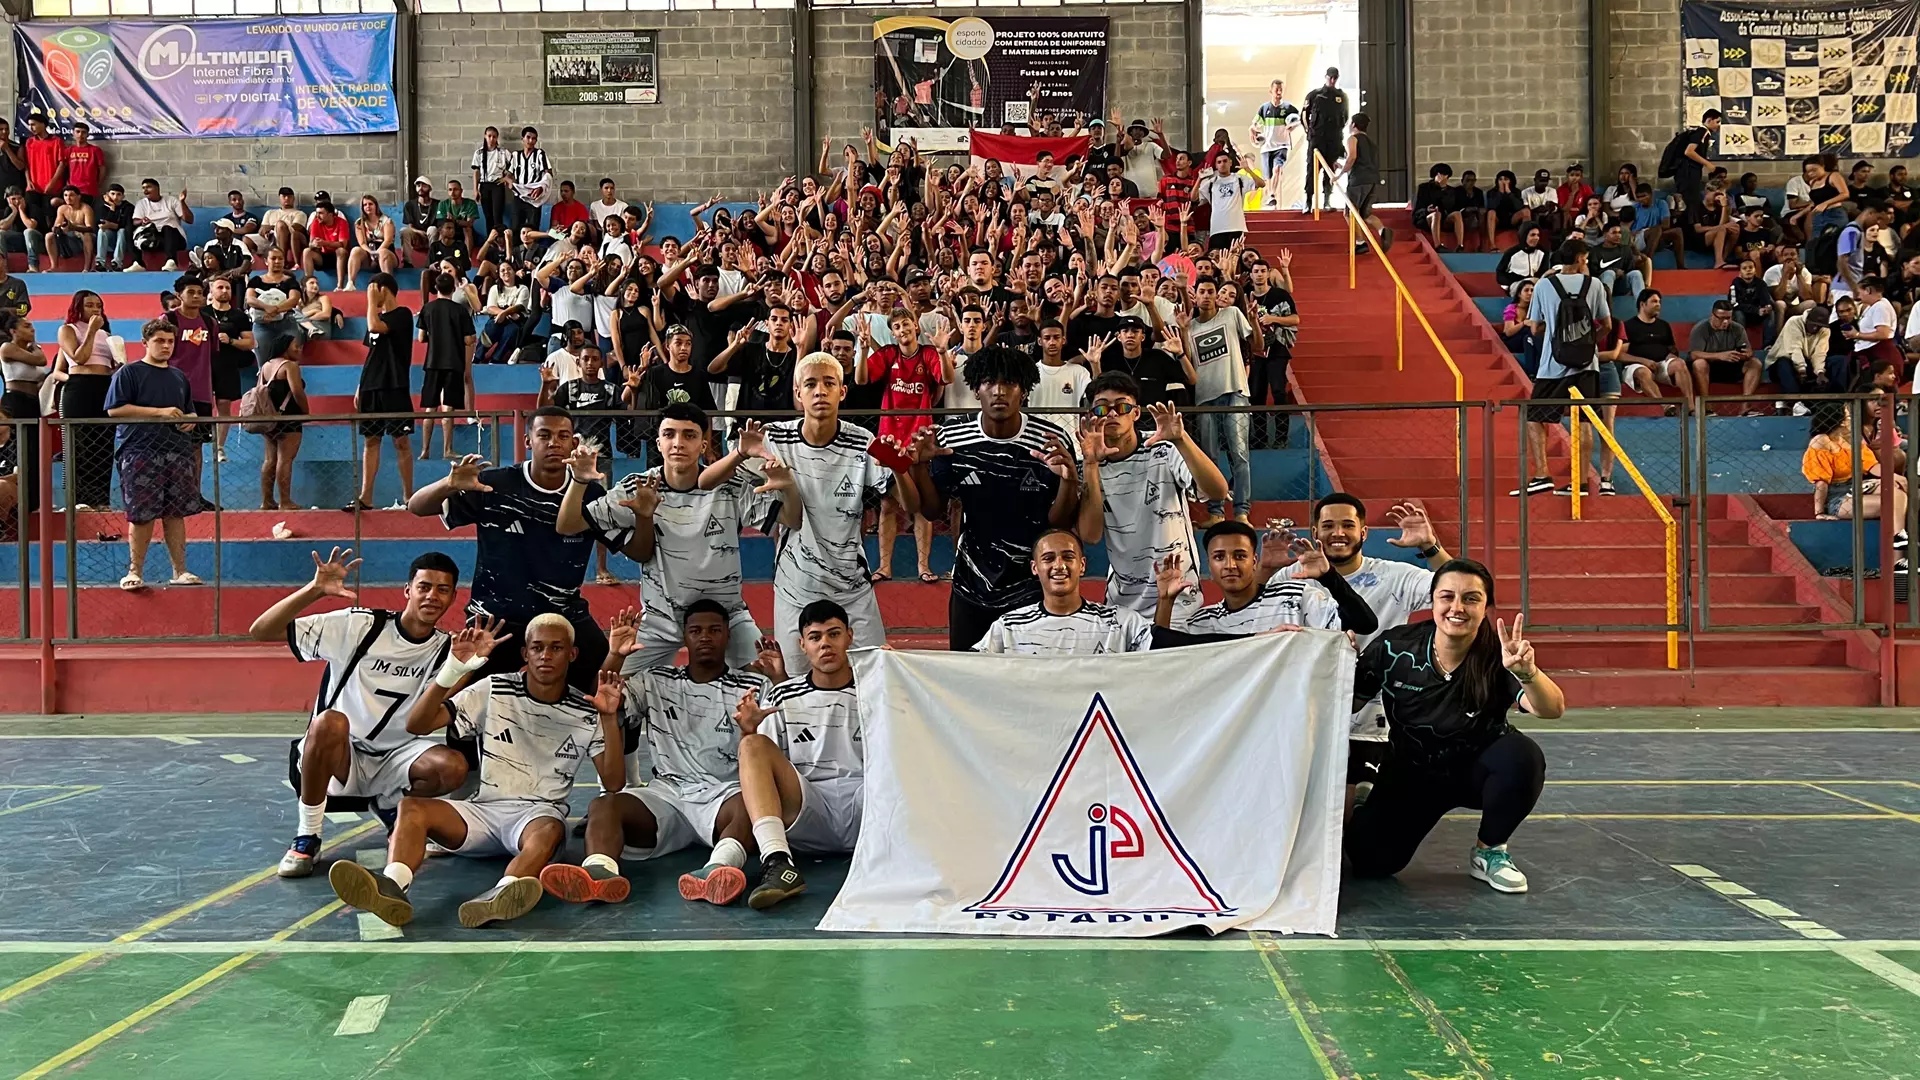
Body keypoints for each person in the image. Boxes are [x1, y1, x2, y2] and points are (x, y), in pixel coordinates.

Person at [330, 615, 625, 928]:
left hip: (537, 815)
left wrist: (608, 719)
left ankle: (504, 892)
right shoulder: (494, 687)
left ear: (572, 654)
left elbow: (614, 782)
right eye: (537, 647)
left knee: (551, 830)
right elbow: (417, 724)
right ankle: (392, 886)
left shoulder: (585, 710)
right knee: (412, 806)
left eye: (556, 648)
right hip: (483, 811)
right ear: (525, 653)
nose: (545, 655)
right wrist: (454, 670)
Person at [1344, 559, 1565, 893]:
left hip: (1475, 770)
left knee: (1523, 756)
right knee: (1370, 864)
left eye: (1471, 599)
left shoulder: (1499, 654)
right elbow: (1348, 705)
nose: (1457, 607)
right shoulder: (1393, 648)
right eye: (1447, 597)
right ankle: (1369, 799)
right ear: (1432, 601)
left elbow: (1551, 709)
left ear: (1486, 607)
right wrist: (1339, 666)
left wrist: (1527, 673)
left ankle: (1489, 851)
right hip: (1411, 772)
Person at [250, 548, 470, 875]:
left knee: (452, 767)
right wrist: (313, 590)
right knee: (329, 722)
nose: (432, 596)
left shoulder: (449, 651)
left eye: (442, 590)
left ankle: (391, 806)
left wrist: (462, 667)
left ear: (453, 597)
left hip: (397, 757)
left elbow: (425, 722)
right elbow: (261, 631)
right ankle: (307, 835)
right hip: (342, 755)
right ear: (408, 590)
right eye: (424, 587)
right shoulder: (360, 625)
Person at [554, 602, 770, 908]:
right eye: (696, 631)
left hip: (724, 795)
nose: (705, 637)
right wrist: (615, 655)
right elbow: (603, 693)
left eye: (714, 630)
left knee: (753, 805)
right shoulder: (655, 680)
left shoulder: (755, 686)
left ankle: (718, 869)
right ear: (684, 637)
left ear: (728, 637)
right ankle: (599, 873)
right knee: (604, 805)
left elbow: (772, 752)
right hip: (666, 794)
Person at [568, 401, 798, 673]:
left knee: (769, 680)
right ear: (658, 443)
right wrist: (578, 481)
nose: (678, 443)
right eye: (669, 434)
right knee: (611, 686)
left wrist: (789, 485)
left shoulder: (731, 486)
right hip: (659, 621)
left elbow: (792, 519)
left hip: (727, 618)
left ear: (703, 445)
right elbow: (571, 524)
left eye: (689, 435)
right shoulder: (636, 486)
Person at [409, 407, 630, 689]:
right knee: (457, 700)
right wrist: (448, 483)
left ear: (574, 444)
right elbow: (416, 507)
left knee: (602, 686)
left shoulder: (590, 492)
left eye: (563, 436)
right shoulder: (494, 485)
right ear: (528, 441)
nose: (553, 442)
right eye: (544, 435)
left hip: (563, 616)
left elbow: (634, 549)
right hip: (493, 619)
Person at [727, 350, 916, 672]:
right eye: (811, 384)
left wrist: (900, 466)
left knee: (872, 679)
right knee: (796, 682)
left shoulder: (864, 442)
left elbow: (912, 509)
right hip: (794, 586)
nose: (820, 390)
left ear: (842, 392)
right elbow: (715, 479)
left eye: (829, 383)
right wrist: (738, 456)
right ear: (798, 393)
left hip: (851, 589)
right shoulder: (773, 439)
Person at [907, 345, 1080, 651]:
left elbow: (1060, 522)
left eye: (1010, 383)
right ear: (975, 390)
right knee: (967, 674)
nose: (999, 391)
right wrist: (920, 466)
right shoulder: (951, 438)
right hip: (971, 582)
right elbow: (933, 511)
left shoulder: (1050, 440)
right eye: (989, 382)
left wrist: (1069, 480)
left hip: (1033, 585)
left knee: (1030, 676)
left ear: (1024, 391)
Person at [725, 599, 863, 910]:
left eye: (834, 634)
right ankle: (778, 862)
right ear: (803, 645)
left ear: (850, 637)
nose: (825, 644)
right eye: (815, 637)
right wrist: (748, 731)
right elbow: (768, 773)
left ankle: (911, 858)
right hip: (808, 809)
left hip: (867, 807)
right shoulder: (782, 695)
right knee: (751, 746)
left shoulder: (877, 686)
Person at [1306, 494, 1452, 787]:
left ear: (1363, 532)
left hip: (1372, 723)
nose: (1338, 533)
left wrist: (1430, 546)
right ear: (1314, 532)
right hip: (1309, 718)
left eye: (1348, 525)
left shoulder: (1393, 577)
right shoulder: (1293, 576)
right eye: (1328, 525)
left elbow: (1458, 586)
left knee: (1360, 805)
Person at [1075, 372, 1227, 627]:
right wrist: (1091, 465)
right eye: (1102, 407)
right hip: (1121, 603)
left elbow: (1218, 491)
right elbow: (1090, 535)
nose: (1112, 414)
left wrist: (1181, 439)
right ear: (1091, 415)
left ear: (1135, 413)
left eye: (1122, 407)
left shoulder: (1165, 449)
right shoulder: (1089, 465)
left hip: (1180, 596)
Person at [104, 319, 202, 589]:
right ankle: (135, 571)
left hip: (177, 450)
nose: (166, 346)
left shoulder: (179, 376)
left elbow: (189, 409)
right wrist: (159, 413)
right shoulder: (129, 373)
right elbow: (115, 409)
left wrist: (191, 418)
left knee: (175, 513)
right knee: (141, 513)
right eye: (160, 340)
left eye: (170, 341)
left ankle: (179, 570)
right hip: (139, 449)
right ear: (145, 343)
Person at [855, 306, 944, 585]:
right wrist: (863, 348)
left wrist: (942, 351)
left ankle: (923, 566)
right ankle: (884, 566)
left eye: (906, 324)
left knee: (920, 506)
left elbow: (945, 378)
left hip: (920, 441)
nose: (902, 330)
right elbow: (861, 379)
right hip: (889, 440)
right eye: (897, 327)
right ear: (892, 333)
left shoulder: (928, 354)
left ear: (915, 326)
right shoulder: (887, 355)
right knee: (887, 503)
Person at [1173, 518, 1378, 638]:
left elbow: (1365, 624)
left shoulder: (1294, 596)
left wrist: (1329, 576)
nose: (1230, 565)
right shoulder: (1201, 623)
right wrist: (1165, 600)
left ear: (1254, 561)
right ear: (1209, 565)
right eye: (1219, 557)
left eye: (1240, 556)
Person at [1517, 242, 1610, 496]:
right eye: (1587, 259)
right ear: (1580, 258)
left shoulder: (1544, 286)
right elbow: (1607, 325)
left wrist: (1557, 337)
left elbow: (1534, 328)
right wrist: (1586, 342)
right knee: (1583, 421)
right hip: (1587, 365)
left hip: (1552, 365)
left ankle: (1542, 474)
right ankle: (1578, 482)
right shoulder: (1595, 285)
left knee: (1534, 416)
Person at [1184, 277, 1256, 523]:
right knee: (1209, 457)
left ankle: (1241, 512)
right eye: (1201, 291)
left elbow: (1255, 344)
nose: (1206, 295)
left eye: (1210, 291)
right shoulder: (1189, 326)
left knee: (1240, 454)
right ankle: (1215, 513)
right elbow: (1187, 363)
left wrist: (1255, 321)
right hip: (1205, 398)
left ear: (1217, 295)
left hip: (1235, 390)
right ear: (1195, 295)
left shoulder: (1232, 314)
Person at [347, 274, 416, 510]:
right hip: (371, 386)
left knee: (401, 441)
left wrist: (370, 301)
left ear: (383, 289)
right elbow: (372, 353)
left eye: (372, 289)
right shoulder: (374, 318)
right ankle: (365, 497)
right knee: (370, 440)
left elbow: (375, 326)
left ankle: (409, 497)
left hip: (394, 384)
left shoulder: (402, 315)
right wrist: (360, 384)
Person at [1804, 405, 1909, 550]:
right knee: (1893, 501)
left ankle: (1899, 538)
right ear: (1840, 421)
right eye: (1848, 417)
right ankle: (1898, 543)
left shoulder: (1850, 438)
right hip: (1836, 496)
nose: (1852, 420)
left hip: (1856, 486)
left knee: (1897, 488)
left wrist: (1893, 477)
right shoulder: (1821, 441)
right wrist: (1819, 512)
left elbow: (1871, 465)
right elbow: (1821, 482)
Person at [55, 290, 115, 511]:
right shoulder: (67, 330)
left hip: (104, 386)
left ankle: (101, 499)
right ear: (78, 307)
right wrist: (90, 330)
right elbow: (79, 357)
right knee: (81, 443)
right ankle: (79, 498)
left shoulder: (106, 334)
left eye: (98, 305)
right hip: (80, 385)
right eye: (89, 305)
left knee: (104, 443)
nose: (95, 309)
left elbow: (112, 363)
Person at [416, 271, 475, 461]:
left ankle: (425, 450)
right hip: (454, 362)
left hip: (433, 362)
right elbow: (469, 339)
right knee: (448, 407)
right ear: (453, 288)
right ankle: (447, 449)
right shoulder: (460, 311)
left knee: (430, 408)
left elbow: (421, 337)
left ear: (436, 288)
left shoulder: (427, 308)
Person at [0, 314, 48, 512]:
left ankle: (32, 501)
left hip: (32, 402)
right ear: (13, 330)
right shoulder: (7, 348)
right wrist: (35, 346)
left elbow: (40, 375)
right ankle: (13, 497)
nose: (32, 330)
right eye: (27, 326)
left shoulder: (32, 350)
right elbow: (40, 360)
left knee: (34, 450)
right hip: (15, 401)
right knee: (18, 447)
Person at [254, 339, 307, 510]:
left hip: (269, 420)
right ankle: (285, 501)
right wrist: (306, 411)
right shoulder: (290, 366)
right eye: (295, 345)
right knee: (285, 459)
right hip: (289, 418)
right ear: (284, 348)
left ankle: (267, 500)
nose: (299, 348)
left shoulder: (265, 366)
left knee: (270, 460)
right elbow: (297, 391)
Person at [1687, 299, 1765, 411]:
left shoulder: (1737, 328)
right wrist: (1720, 356)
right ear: (1712, 315)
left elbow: (1749, 351)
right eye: (1721, 318)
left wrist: (1743, 355)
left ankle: (1745, 406)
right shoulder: (1700, 329)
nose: (1725, 322)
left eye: (1728, 318)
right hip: (1710, 368)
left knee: (1755, 363)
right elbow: (1694, 354)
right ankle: (1706, 406)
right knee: (1699, 364)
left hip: (1731, 365)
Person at [1334, 114, 1390, 252]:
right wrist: (1342, 167)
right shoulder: (1371, 143)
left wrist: (1339, 175)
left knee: (1349, 213)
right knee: (1365, 214)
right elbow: (1363, 162)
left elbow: (1352, 157)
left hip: (1358, 181)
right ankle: (1382, 230)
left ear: (1353, 125)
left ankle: (1360, 243)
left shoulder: (1353, 139)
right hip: (1372, 180)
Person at [1302, 67, 1349, 212]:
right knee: (1312, 171)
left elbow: (1345, 118)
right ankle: (1308, 201)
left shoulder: (1342, 96)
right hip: (1317, 139)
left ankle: (1327, 200)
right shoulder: (1314, 95)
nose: (1333, 80)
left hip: (1333, 140)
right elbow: (1304, 115)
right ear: (1326, 77)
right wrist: (1309, 132)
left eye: (1335, 78)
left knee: (1329, 170)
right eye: (1331, 77)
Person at [1251, 79, 1299, 208]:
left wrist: (1292, 127)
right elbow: (1254, 125)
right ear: (1270, 91)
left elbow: (1299, 120)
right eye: (1277, 89)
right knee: (1268, 177)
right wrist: (1253, 134)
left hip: (1282, 145)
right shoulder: (1264, 108)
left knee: (1278, 169)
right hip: (1267, 146)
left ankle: (1272, 195)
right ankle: (1270, 196)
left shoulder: (1289, 108)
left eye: (1281, 89)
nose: (1279, 92)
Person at [130, 178, 191, 270]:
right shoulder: (141, 203)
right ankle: (138, 263)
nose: (145, 190)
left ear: (157, 188)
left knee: (167, 228)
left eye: (149, 187)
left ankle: (171, 261)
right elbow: (135, 221)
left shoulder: (171, 201)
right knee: (128, 229)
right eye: (143, 188)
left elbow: (189, 220)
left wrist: (182, 202)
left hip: (175, 240)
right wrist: (142, 221)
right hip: (153, 240)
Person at [1670, 109, 1721, 214]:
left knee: (1691, 202)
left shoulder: (1704, 133)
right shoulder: (1701, 132)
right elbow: (1689, 152)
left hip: (1690, 172)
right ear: (1709, 120)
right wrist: (1707, 164)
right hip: (1687, 173)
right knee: (1690, 202)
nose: (1718, 125)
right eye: (1717, 122)